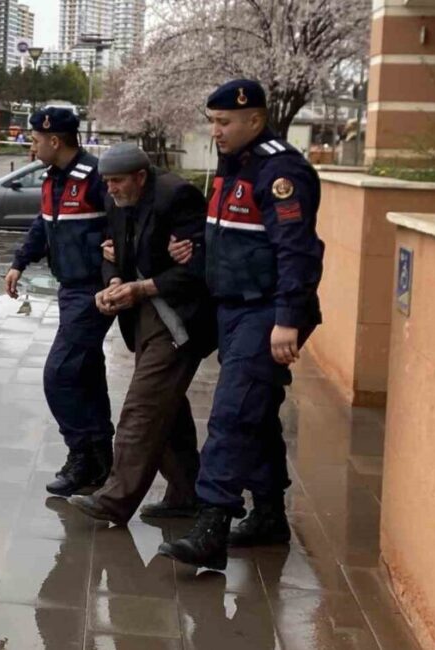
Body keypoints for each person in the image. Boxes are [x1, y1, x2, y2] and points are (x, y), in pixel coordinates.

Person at [157, 80, 325, 570]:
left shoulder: (279, 171)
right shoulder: (234, 169)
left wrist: (287, 319)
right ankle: (270, 514)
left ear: (255, 119)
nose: (216, 131)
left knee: (231, 413)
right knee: (256, 412)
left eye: (224, 122)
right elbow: (237, 240)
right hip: (233, 310)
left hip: (266, 311)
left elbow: (297, 251)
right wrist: (194, 251)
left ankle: (213, 523)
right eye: (211, 121)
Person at [65, 143, 216, 525]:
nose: (110, 190)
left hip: (180, 319)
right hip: (143, 318)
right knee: (167, 407)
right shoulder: (117, 199)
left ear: (141, 178)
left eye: (117, 182)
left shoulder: (178, 197)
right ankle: (186, 494)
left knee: (142, 408)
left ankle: (114, 500)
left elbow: (199, 268)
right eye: (107, 182)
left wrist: (141, 288)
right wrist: (113, 281)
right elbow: (112, 252)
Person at [4, 107, 114, 497]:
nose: (31, 146)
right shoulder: (53, 179)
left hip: (93, 291)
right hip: (70, 289)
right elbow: (43, 224)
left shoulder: (95, 177)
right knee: (85, 372)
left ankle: (82, 454)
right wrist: (20, 261)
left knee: (59, 374)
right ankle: (101, 458)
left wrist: (113, 273)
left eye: (34, 140)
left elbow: (123, 225)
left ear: (54, 140)